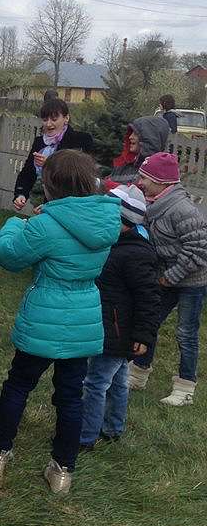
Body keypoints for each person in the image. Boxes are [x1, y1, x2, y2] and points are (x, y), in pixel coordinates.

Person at [0, 150, 121, 495]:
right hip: (84, 316)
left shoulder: (44, 224)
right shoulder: (105, 222)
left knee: (19, 384)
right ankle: (63, 471)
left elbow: (8, 256)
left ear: (51, 184)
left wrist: (16, 223)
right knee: (71, 396)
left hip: (44, 315)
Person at [79, 185, 160, 450]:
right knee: (117, 380)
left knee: (95, 383)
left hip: (116, 331)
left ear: (122, 221)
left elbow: (149, 298)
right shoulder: (114, 244)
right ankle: (113, 427)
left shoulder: (136, 254)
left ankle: (85, 436)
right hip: (110, 325)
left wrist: (143, 335)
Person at [129, 152, 207, 405]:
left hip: (191, 280)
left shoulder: (183, 210)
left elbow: (199, 250)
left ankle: (185, 388)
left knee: (186, 332)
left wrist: (170, 277)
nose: (139, 181)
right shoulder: (155, 204)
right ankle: (139, 373)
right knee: (149, 321)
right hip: (167, 277)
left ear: (162, 182)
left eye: (144, 177)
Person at [13, 98, 93, 210]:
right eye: (45, 120)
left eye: (54, 119)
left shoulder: (81, 140)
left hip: (74, 206)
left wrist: (50, 164)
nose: (49, 124)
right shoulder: (39, 142)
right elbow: (28, 173)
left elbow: (81, 176)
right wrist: (21, 194)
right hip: (48, 204)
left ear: (66, 118)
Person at [104, 116, 169, 189]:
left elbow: (137, 192)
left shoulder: (155, 170)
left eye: (135, 134)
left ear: (148, 139)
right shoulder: (125, 164)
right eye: (131, 133)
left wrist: (107, 185)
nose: (130, 137)